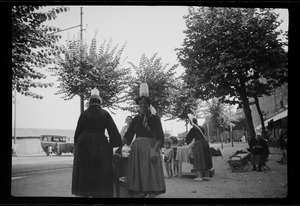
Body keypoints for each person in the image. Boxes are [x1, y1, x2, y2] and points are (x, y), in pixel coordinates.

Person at [72, 88, 122, 198]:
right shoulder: (105, 113)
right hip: (100, 144)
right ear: (100, 103)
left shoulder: (84, 114)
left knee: (85, 172)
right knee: (100, 173)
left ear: (89, 103)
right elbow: (114, 133)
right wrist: (111, 146)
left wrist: (77, 146)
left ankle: (84, 194)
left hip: (83, 144)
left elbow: (78, 132)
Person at [118, 83, 166, 198]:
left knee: (150, 175)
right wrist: (119, 148)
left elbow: (160, 137)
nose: (142, 105)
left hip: (150, 149)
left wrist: (155, 150)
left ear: (149, 104)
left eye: (145, 103)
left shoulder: (154, 118)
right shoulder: (136, 119)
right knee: (139, 177)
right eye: (140, 103)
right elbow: (128, 136)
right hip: (137, 151)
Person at [186, 116, 213, 181]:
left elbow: (188, 138)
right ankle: (207, 175)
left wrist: (189, 144)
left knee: (199, 159)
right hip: (205, 143)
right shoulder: (202, 128)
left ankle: (200, 176)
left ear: (191, 123)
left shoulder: (193, 129)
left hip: (198, 145)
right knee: (206, 159)